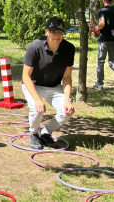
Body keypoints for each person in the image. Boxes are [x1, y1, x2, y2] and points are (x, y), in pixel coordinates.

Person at [22, 17, 75, 150]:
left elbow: (67, 77)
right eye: (54, 32)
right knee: (37, 108)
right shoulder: (35, 46)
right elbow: (25, 76)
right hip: (33, 85)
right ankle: (34, 133)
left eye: (60, 32)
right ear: (47, 32)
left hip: (54, 86)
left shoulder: (69, 48)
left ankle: (45, 133)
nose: (57, 35)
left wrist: (68, 100)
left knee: (66, 111)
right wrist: (37, 99)